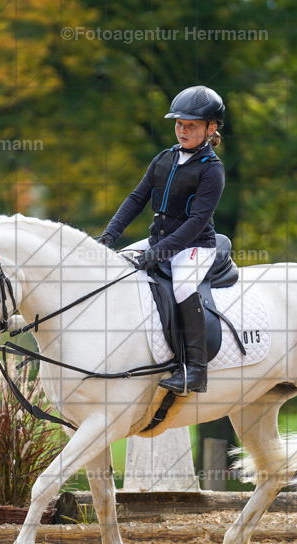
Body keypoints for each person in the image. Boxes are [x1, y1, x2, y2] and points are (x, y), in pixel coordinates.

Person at [96, 85, 226, 395]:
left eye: (191, 125)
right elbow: (136, 198)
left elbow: (196, 222)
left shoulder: (213, 170)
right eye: (179, 124)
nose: (182, 130)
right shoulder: (165, 157)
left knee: (182, 285)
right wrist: (109, 236)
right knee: (114, 268)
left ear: (211, 128)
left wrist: (158, 252)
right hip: (159, 241)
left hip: (195, 246)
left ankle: (196, 369)